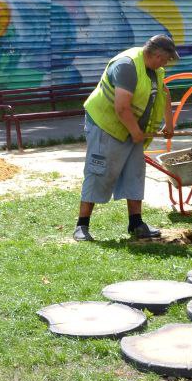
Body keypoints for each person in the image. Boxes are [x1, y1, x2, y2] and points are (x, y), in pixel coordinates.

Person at [74, 35, 178, 242]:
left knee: (134, 173)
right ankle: (81, 226)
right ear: (157, 55)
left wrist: (169, 123)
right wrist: (135, 131)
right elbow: (121, 107)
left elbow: (164, 94)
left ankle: (136, 223)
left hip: (131, 128)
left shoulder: (154, 70)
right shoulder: (127, 66)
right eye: (166, 60)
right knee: (99, 172)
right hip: (107, 126)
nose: (166, 64)